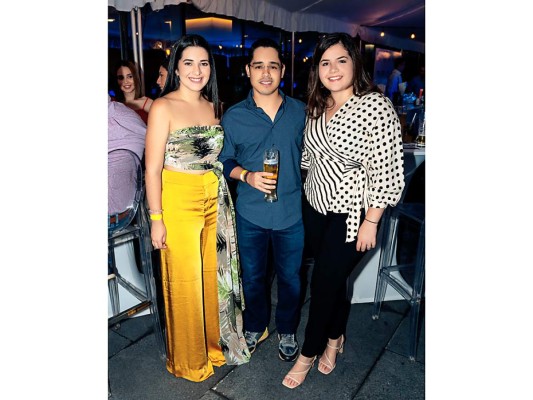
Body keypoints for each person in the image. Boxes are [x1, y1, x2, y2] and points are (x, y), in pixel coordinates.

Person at [282, 32, 405, 389]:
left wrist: (371, 221)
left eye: (341, 60)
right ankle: (336, 337)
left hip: (352, 214)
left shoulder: (375, 107)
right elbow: (308, 158)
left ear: (355, 64)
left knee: (322, 284)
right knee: (331, 280)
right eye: (325, 62)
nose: (333, 69)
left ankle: (308, 353)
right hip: (315, 206)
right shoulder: (317, 105)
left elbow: (387, 170)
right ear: (317, 70)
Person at [145, 34, 250, 382]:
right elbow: (151, 169)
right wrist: (156, 219)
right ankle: (189, 360)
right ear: (176, 68)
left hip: (213, 197)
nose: (197, 70)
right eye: (188, 62)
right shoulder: (163, 107)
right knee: (184, 282)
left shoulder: (212, 106)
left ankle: (214, 346)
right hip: (177, 200)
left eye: (203, 63)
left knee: (213, 277)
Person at [218, 38, 306, 363]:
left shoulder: (301, 112)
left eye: (272, 66)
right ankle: (255, 325)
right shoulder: (234, 116)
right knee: (253, 278)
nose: (266, 73)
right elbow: (224, 160)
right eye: (259, 66)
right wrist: (247, 176)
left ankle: (288, 329)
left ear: (282, 71)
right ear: (248, 70)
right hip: (251, 213)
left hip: (291, 212)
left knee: (291, 279)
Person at [115, 60, 153, 124]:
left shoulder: (148, 103)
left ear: (136, 77)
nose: (125, 81)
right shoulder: (114, 105)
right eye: (121, 77)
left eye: (130, 76)